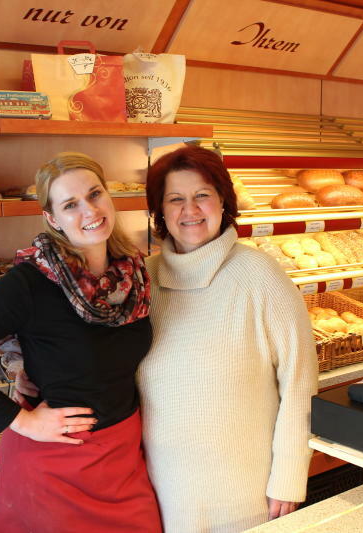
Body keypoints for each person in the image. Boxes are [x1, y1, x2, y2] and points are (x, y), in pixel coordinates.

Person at [0, 152, 162, 533]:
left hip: (122, 458)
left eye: (95, 194)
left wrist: (30, 364)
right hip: (55, 466)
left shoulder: (134, 273)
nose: (90, 210)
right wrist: (21, 421)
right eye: (70, 205)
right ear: (52, 219)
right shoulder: (32, 282)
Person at [139, 145, 318, 532]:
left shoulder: (259, 274)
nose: (190, 210)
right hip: (162, 489)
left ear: (223, 201)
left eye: (202, 195)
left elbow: (300, 383)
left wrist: (288, 477)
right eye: (176, 199)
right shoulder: (142, 280)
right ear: (160, 211)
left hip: (245, 493)